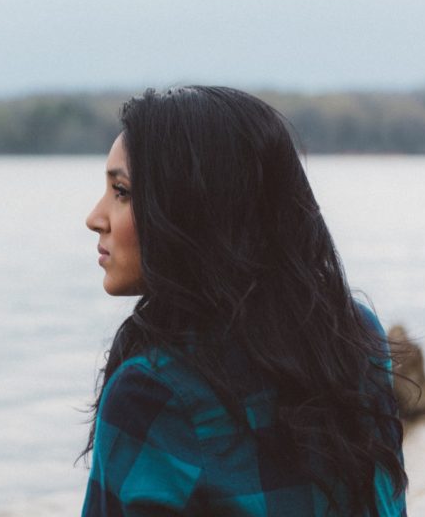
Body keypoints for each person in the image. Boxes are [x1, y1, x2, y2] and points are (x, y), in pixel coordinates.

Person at [81, 86, 407, 516]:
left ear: (191, 207)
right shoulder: (351, 335)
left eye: (121, 192)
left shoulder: (153, 393)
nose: (95, 218)